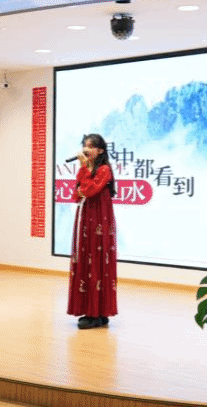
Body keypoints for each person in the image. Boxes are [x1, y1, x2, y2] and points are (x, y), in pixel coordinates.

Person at [67, 133, 118, 330]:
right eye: (85, 145)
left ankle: (97, 313)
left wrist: (85, 170)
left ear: (100, 150)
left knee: (98, 260)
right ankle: (94, 311)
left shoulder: (104, 170)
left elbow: (89, 190)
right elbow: (76, 194)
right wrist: (85, 174)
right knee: (86, 258)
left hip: (99, 219)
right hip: (86, 216)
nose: (86, 149)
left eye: (91, 146)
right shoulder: (86, 169)